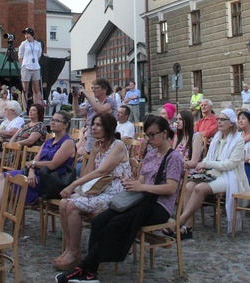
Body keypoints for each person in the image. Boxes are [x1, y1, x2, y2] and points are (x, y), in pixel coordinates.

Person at [56, 116, 183, 283]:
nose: (149, 139)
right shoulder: (151, 155)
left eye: (152, 135)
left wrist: (141, 187)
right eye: (147, 135)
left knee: (115, 224)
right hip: (142, 200)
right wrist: (132, 184)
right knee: (99, 221)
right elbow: (142, 182)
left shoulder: (174, 157)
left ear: (165, 133)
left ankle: (86, 268)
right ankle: (90, 272)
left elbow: (171, 188)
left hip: (159, 206)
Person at [52, 113, 131, 271]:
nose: (94, 128)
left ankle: (74, 252)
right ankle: (69, 248)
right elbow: (87, 175)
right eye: (93, 124)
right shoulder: (100, 146)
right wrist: (93, 153)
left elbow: (102, 171)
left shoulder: (118, 146)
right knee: (63, 204)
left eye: (98, 125)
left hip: (116, 193)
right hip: (98, 189)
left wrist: (73, 185)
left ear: (108, 128)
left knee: (72, 206)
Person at [0, 111, 76, 227]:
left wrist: (33, 165)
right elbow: (33, 162)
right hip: (34, 175)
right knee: (2, 176)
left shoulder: (68, 143)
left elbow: (52, 165)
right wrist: (31, 170)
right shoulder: (48, 141)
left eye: (57, 120)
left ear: (66, 125)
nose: (52, 122)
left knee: (9, 187)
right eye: (52, 119)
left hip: (49, 180)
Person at [175, 108, 249, 239]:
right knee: (188, 186)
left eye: (223, 119)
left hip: (229, 176)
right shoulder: (217, 137)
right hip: (213, 173)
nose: (219, 122)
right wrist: (202, 165)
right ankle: (188, 227)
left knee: (199, 188)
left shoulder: (239, 140)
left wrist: (207, 164)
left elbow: (230, 164)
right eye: (218, 119)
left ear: (231, 123)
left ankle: (180, 221)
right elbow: (209, 157)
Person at [75, 78, 118, 159]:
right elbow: (78, 112)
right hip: (91, 142)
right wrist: (75, 97)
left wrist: (86, 94)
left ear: (105, 90)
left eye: (96, 88)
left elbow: (100, 110)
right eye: (92, 88)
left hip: (105, 142)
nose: (94, 90)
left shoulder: (110, 101)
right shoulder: (92, 102)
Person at [19, 27, 43, 106]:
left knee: (36, 88)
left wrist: (34, 62)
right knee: (25, 89)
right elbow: (20, 56)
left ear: (31, 34)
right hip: (26, 67)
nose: (26, 35)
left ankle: (36, 106)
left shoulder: (38, 44)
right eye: (25, 34)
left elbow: (38, 55)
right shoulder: (23, 44)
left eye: (27, 34)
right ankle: (25, 108)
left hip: (35, 67)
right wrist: (24, 65)